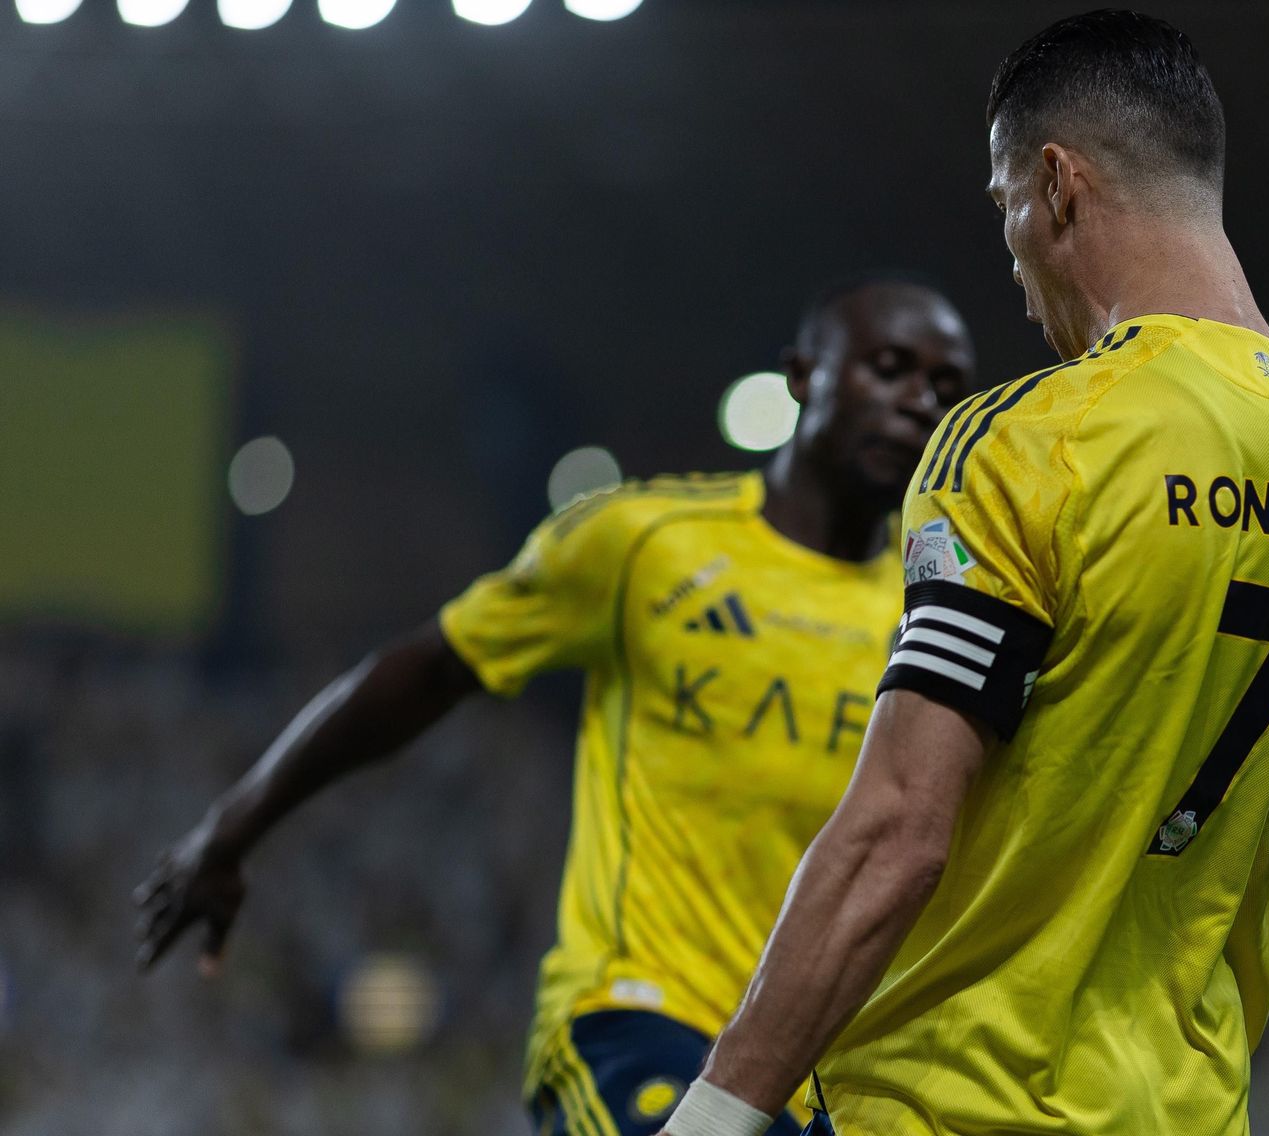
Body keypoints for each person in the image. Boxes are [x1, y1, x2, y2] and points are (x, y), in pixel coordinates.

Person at [657, 12, 1269, 1136]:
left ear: (1055, 184)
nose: (1010, 262)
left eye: (1003, 210)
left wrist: (712, 1116)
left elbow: (901, 823)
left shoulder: (1027, 443)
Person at [133, 273, 977, 1136]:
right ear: (804, 377)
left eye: (946, 387)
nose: (918, 401)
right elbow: (429, 669)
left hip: (821, 1070)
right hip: (641, 1019)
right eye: (888, 367)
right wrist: (232, 826)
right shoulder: (644, 543)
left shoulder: (938, 616)